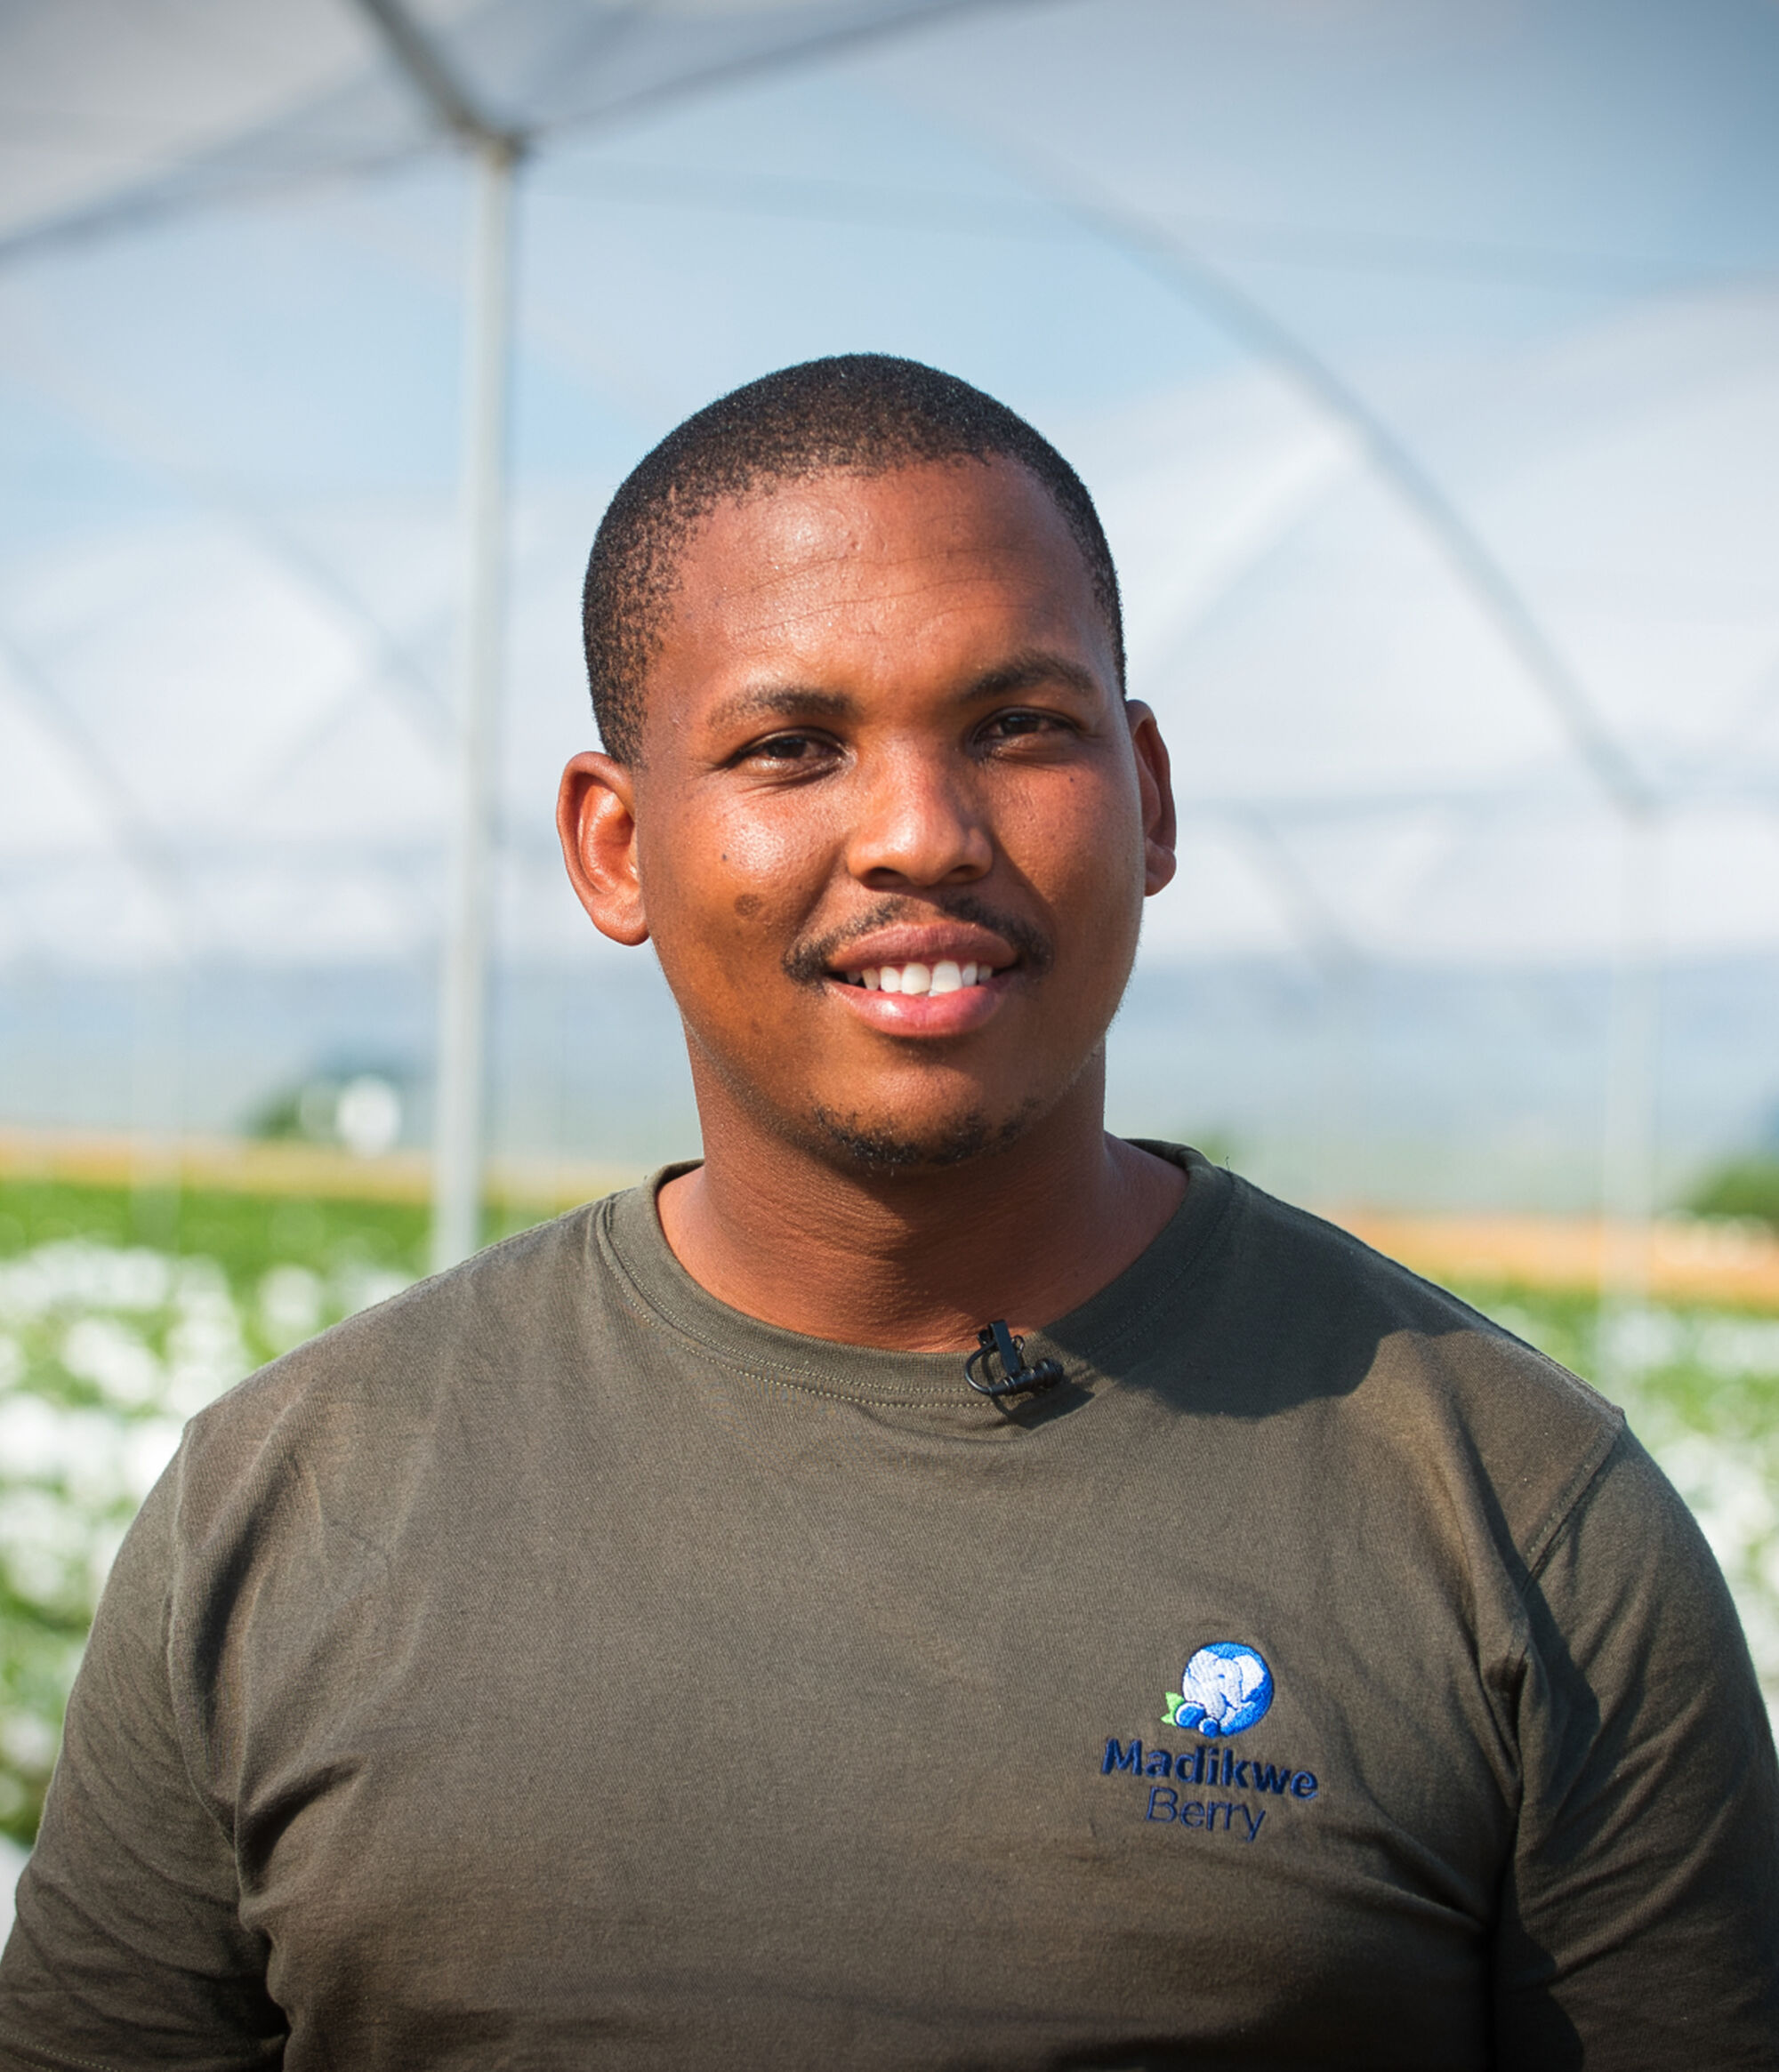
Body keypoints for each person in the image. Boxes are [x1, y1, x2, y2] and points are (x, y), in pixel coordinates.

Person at [2, 354, 1775, 2070]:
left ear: (1150, 796)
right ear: (616, 846)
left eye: (1018, 727)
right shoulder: (286, 1504)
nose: (921, 832)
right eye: (792, 745)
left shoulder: (1525, 1520)